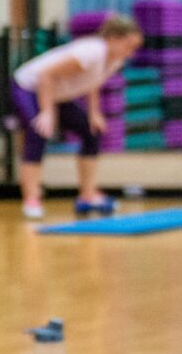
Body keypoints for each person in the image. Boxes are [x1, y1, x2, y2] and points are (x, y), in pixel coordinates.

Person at [10, 14, 142, 220]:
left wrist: (94, 113)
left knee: (91, 133)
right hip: (29, 88)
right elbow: (46, 76)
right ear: (114, 39)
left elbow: (92, 83)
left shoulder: (114, 60)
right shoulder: (90, 52)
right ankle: (32, 198)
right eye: (129, 46)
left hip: (56, 93)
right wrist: (47, 112)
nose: (131, 53)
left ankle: (87, 195)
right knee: (39, 132)